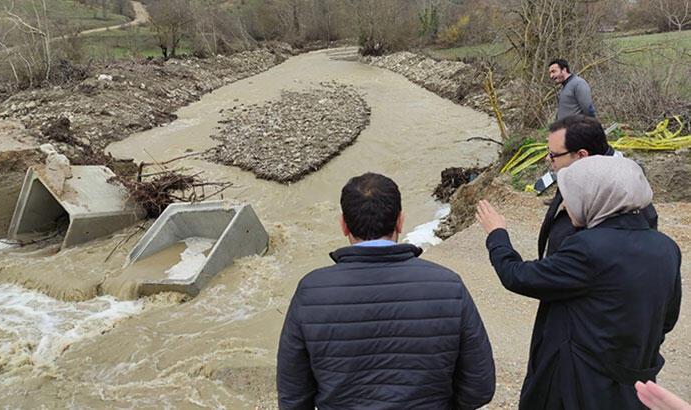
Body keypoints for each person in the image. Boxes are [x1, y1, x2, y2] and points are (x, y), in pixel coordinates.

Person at [476, 156, 682, 410]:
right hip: (636, 379)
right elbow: (667, 318)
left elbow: (518, 276)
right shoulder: (666, 247)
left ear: (595, 197)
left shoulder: (588, 248)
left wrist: (497, 234)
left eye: (570, 196)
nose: (564, 205)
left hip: (582, 385)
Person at [277, 172, 495, 409]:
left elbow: (293, 396)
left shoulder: (311, 292)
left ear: (343, 225)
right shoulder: (448, 285)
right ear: (400, 221)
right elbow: (480, 387)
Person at [538, 114, 658, 260]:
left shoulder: (627, 198)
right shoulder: (575, 176)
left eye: (553, 154)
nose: (548, 159)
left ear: (581, 155)